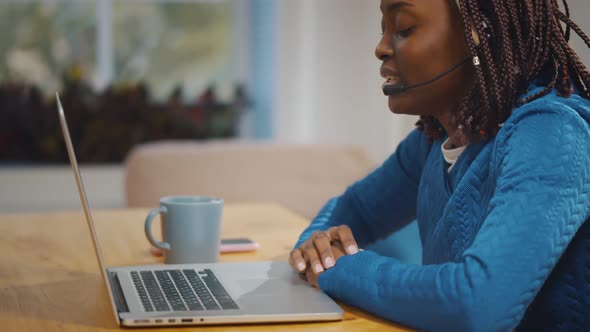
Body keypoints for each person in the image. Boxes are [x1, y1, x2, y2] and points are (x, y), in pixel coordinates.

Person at [289, 1, 590, 331]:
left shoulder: (551, 133)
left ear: (480, 34)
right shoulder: (436, 136)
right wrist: (315, 247)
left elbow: (477, 304)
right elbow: (355, 209)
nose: (380, 48)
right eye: (383, 29)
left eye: (404, 29)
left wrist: (339, 268)